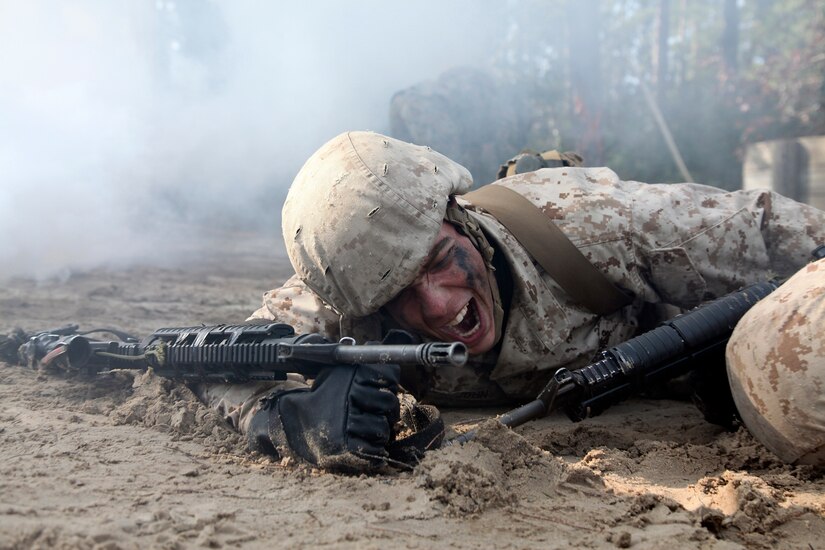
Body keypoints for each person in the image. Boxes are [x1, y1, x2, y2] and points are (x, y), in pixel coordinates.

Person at [195, 131, 825, 471]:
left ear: (461, 219)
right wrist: (285, 418)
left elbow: (775, 231)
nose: (440, 307)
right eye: (399, 295)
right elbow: (215, 359)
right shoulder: (342, 295)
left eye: (441, 262)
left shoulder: (594, 223)